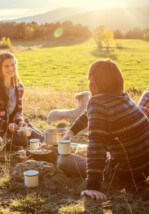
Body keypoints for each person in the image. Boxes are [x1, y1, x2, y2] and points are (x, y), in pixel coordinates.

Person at [61, 59, 149, 202]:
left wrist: (93, 186)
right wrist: (72, 131)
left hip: (125, 172)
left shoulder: (97, 104)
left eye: (90, 80)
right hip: (145, 168)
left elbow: (96, 146)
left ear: (95, 83)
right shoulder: (123, 98)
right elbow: (89, 115)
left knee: (63, 160)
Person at [0, 52, 43, 150]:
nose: (11, 69)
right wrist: (7, 126)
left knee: (40, 138)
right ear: (0, 68)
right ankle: (2, 143)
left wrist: (20, 122)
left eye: (13, 65)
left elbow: (18, 112)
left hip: (11, 127)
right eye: (6, 66)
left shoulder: (19, 87)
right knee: (24, 141)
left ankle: (9, 142)